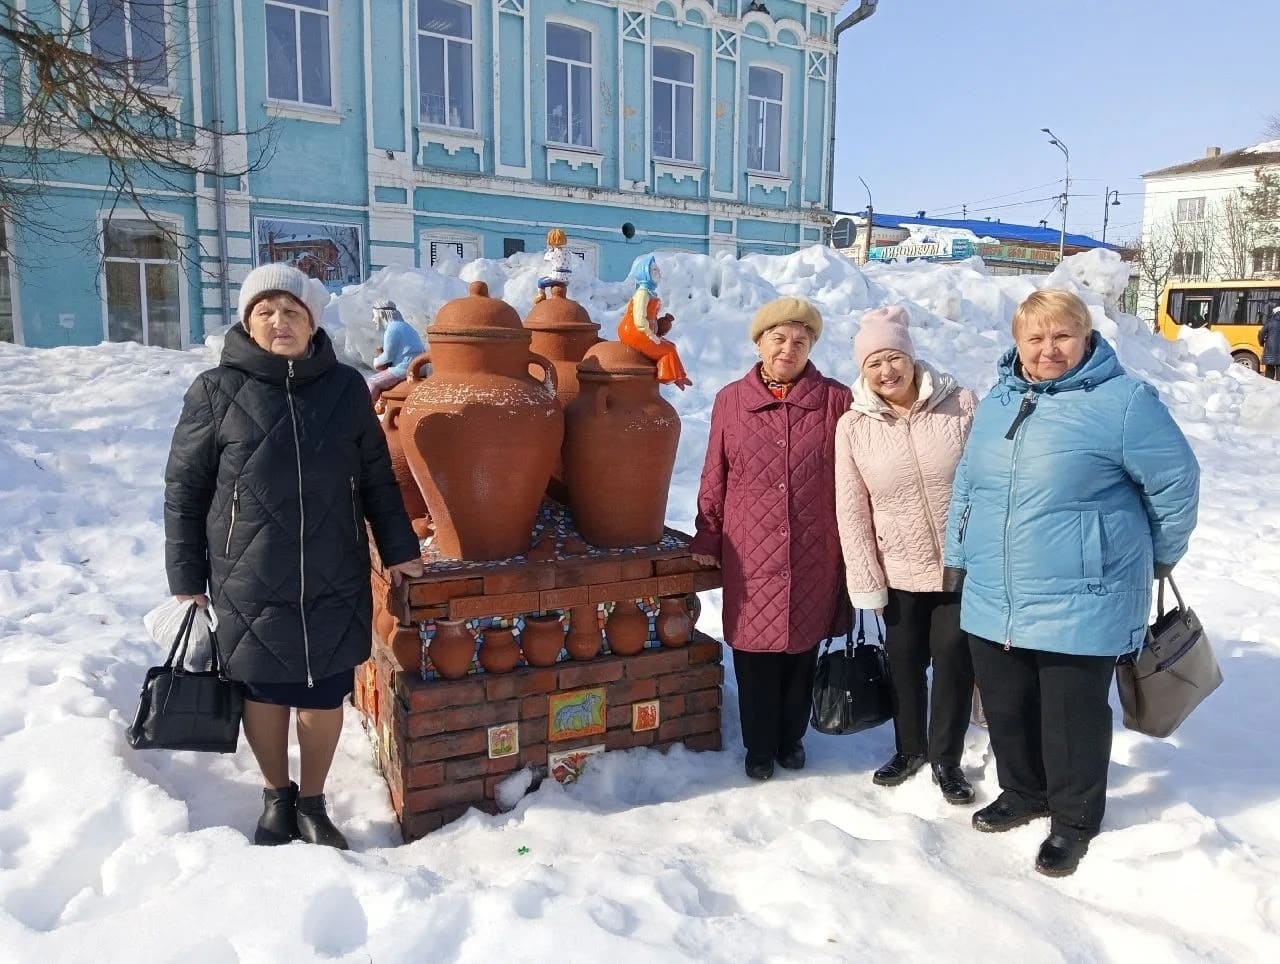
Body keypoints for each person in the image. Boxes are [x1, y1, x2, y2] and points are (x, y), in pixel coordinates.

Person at [164, 263, 425, 850]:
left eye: (292, 312)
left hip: (333, 565)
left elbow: (378, 481)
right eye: (265, 312)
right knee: (263, 690)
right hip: (248, 570)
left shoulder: (344, 390)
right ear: (247, 322)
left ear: (312, 322)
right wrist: (186, 577)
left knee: (323, 689)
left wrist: (400, 550)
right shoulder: (215, 391)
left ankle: (312, 801)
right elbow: (185, 488)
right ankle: (275, 796)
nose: (279, 322)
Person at [944, 288, 1199, 877]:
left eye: (1062, 336)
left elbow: (1176, 483)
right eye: (1034, 338)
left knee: (1071, 715)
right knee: (1007, 705)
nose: (1048, 350)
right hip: (994, 587)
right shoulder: (1000, 400)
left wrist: (1159, 557)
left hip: (1084, 589)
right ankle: (1024, 791)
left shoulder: (1125, 401)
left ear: (1086, 337)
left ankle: (1074, 819)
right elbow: (968, 486)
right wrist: (958, 556)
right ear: (1017, 344)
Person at [691, 297, 850, 781]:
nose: (789, 348)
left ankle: (791, 738)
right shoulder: (731, 400)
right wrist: (708, 533)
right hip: (750, 546)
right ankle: (759, 746)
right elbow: (714, 471)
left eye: (800, 340)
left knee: (802, 649)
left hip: (814, 546)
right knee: (754, 651)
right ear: (759, 343)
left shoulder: (837, 401)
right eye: (778, 338)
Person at [834, 305, 979, 804]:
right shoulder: (853, 426)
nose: (886, 372)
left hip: (961, 566)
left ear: (911, 357)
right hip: (897, 568)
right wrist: (865, 579)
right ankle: (909, 748)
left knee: (955, 660)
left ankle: (946, 759)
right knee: (904, 663)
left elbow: (988, 481)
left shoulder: (960, 404)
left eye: (894, 358)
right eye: (873, 363)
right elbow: (850, 508)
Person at [618, 253, 691, 389]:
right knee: (667, 349)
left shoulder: (650, 292)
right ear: (646, 273)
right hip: (634, 331)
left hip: (642, 330)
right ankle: (669, 377)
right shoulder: (642, 293)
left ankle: (679, 376)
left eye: (658, 270)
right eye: (654, 270)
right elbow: (639, 318)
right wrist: (650, 334)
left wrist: (661, 326)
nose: (658, 273)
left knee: (671, 346)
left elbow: (650, 317)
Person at [368, 299, 425, 405]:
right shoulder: (407, 326)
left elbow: (388, 356)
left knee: (373, 381)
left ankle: (366, 411)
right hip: (419, 366)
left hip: (404, 368)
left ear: (382, 314)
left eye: (374, 315)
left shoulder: (392, 329)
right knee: (384, 374)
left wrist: (376, 361)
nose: (373, 320)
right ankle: (382, 402)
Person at [534, 228, 573, 303]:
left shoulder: (554, 252)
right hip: (567, 277)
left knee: (540, 282)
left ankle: (541, 296)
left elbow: (546, 258)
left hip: (557, 276)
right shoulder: (568, 252)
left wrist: (550, 250)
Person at [1259, 304, 1280, 379]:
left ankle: (1269, 388)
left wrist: (1261, 343)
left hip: (1270, 351)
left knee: (1269, 374)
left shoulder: (1270, 322)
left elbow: (1261, 333)